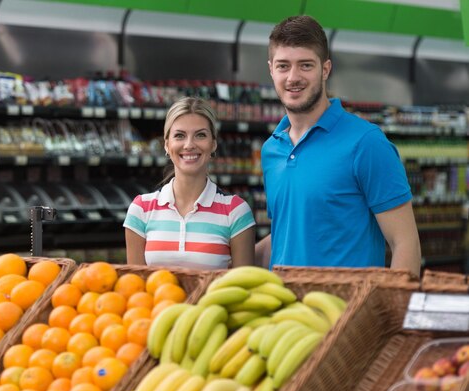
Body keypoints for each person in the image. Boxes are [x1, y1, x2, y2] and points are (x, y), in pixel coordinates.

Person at [255, 15, 421, 276]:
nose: (293, 77)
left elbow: (405, 243)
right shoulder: (271, 150)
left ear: (326, 69)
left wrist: (387, 312)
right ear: (271, 70)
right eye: (283, 66)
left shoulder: (366, 143)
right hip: (285, 312)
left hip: (346, 312)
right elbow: (288, 232)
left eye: (306, 65)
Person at [123, 97, 256, 269]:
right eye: (179, 136)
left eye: (200, 135)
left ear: (213, 144)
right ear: (167, 145)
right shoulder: (141, 210)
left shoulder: (236, 211)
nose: (189, 145)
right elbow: (135, 286)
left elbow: (243, 285)